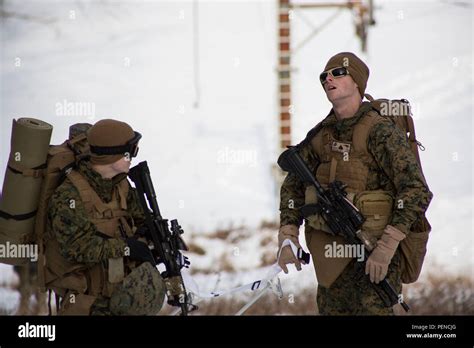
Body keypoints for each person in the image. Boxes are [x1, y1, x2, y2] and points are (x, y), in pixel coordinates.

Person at [277, 52, 433, 315]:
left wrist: (385, 249)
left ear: (357, 82)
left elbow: (416, 190)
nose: (328, 78)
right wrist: (288, 236)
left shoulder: (379, 131)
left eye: (338, 72)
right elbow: (292, 186)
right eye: (323, 76)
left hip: (374, 261)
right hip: (331, 265)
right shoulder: (320, 135)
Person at [46, 119, 165, 315]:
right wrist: (127, 247)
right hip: (88, 303)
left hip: (120, 296)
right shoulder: (69, 195)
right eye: (130, 152)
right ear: (112, 157)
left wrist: (154, 237)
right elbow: (76, 247)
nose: (132, 158)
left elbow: (141, 218)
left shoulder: (122, 186)